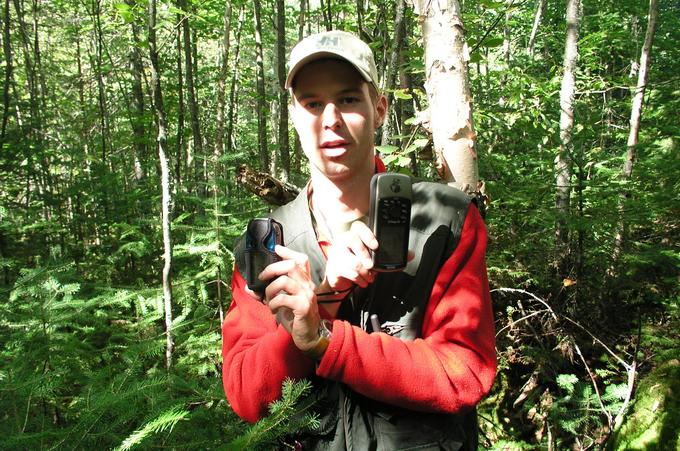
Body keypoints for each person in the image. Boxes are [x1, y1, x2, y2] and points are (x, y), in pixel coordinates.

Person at [222, 30, 496, 450]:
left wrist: (327, 342)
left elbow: (464, 371)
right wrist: (317, 308)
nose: (330, 118)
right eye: (312, 103)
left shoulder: (443, 221)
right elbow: (247, 396)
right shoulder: (266, 246)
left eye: (348, 99)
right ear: (294, 115)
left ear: (380, 108)